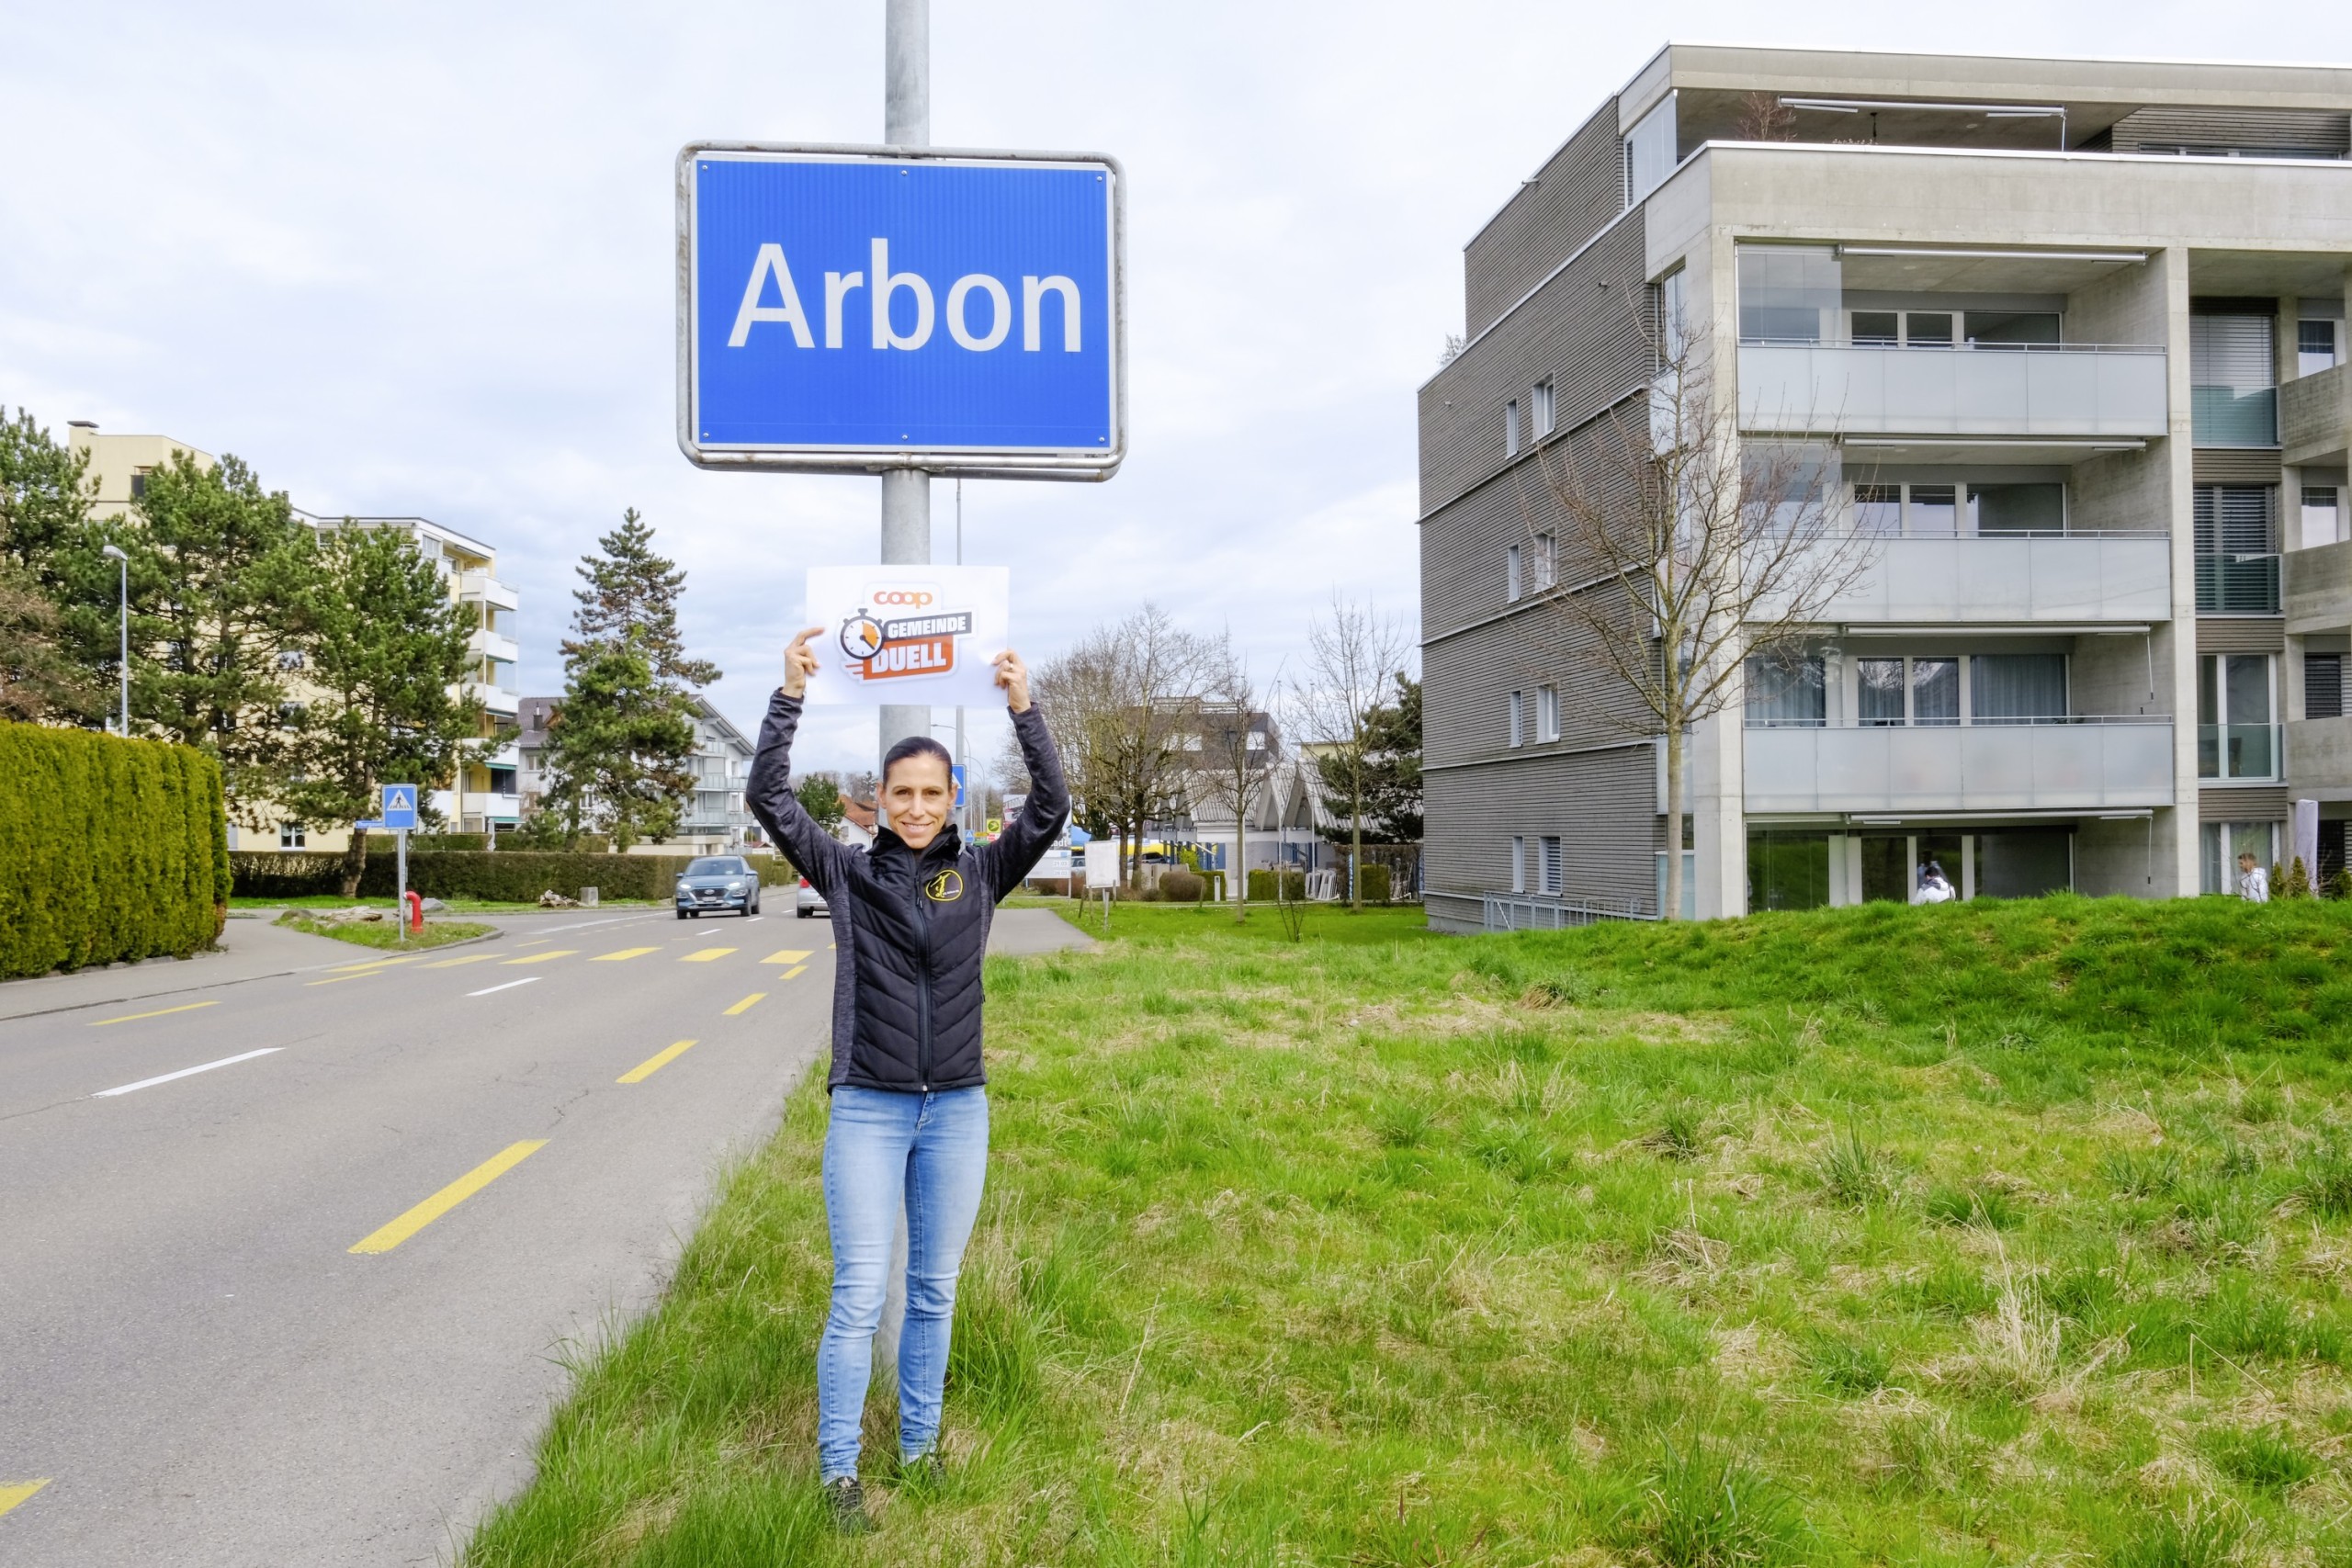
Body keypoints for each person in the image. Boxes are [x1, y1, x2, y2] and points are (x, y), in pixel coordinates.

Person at [744, 626, 1069, 1534]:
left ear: (952, 796)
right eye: (903, 794)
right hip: (869, 1109)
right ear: (877, 802)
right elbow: (767, 794)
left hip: (957, 1110)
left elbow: (1052, 808)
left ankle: (920, 1455)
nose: (919, 807)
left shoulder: (981, 871)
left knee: (933, 1290)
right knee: (858, 1294)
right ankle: (839, 1475)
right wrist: (790, 697)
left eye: (933, 793)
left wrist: (1024, 709)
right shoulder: (847, 876)